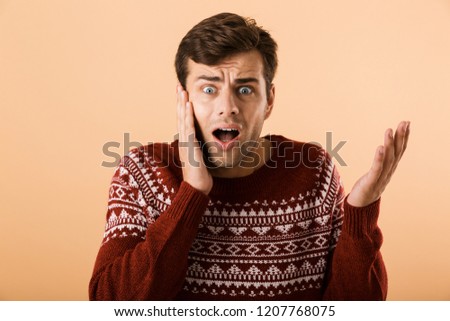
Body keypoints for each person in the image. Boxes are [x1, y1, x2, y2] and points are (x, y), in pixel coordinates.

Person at [89, 12, 410, 300]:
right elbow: (110, 303)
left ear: (268, 100)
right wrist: (192, 194)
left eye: (244, 89)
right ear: (182, 98)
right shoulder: (142, 173)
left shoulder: (313, 172)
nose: (227, 105)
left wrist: (360, 215)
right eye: (209, 89)